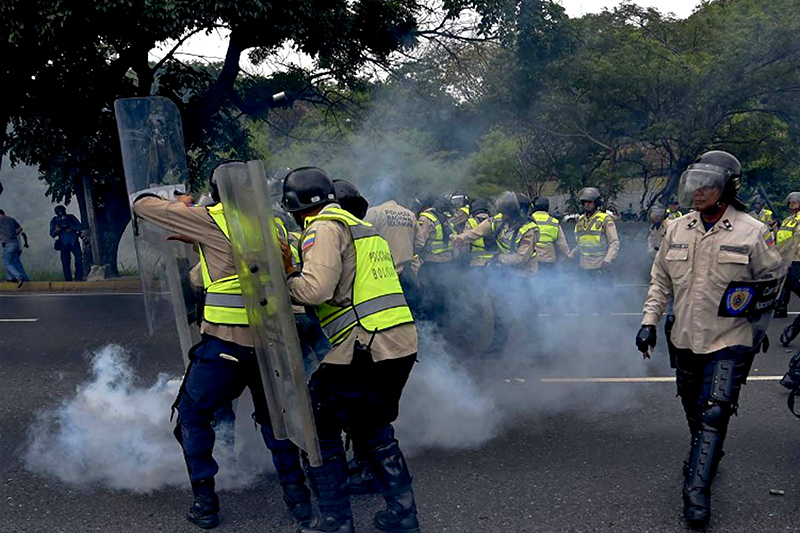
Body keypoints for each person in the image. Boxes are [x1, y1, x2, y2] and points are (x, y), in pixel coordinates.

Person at [132, 170, 311, 530]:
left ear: (218, 195)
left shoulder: (212, 218)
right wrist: (200, 243)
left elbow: (142, 206)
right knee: (276, 420)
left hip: (227, 346)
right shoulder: (273, 225)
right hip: (271, 344)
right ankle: (300, 502)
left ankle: (205, 504)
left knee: (192, 415)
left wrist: (179, 205)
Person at [636, 150, 782, 528]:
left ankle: (697, 493)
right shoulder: (677, 228)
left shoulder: (753, 231)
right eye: (694, 184)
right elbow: (661, 280)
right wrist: (649, 321)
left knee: (715, 410)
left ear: (727, 188)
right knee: (693, 409)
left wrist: (759, 325)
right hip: (684, 337)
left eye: (707, 184)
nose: (697, 192)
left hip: (729, 339)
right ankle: (706, 453)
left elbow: (772, 282)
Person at [280, 167, 420, 533]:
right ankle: (403, 516)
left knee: (317, 423)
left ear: (296, 208)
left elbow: (316, 291)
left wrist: (285, 279)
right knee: (372, 426)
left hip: (365, 346)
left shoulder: (323, 227)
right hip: (398, 343)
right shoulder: (364, 228)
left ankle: (336, 521)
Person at [454, 191, 539, 356]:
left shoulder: (530, 229)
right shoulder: (499, 221)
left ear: (517, 212)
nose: (502, 215)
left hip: (525, 275)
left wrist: (499, 259)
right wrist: (459, 239)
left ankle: (538, 348)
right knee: (499, 308)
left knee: (527, 312)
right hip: (505, 273)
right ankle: (497, 347)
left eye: (506, 211)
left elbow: (522, 258)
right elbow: (476, 232)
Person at [364, 180, 419, 306]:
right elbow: (419, 243)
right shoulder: (410, 214)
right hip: (408, 274)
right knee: (411, 313)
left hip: (382, 275)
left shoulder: (374, 213)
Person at [413, 193, 458, 322]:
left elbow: (420, 241)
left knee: (427, 298)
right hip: (447, 264)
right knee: (442, 296)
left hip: (431, 265)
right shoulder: (444, 217)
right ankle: (442, 325)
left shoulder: (426, 218)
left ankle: (429, 328)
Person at [569, 187, 619, 277]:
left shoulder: (604, 219)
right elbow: (582, 242)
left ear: (596, 203)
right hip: (583, 266)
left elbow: (614, 242)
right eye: (585, 202)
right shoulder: (581, 220)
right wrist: (571, 256)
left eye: (590, 202)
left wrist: (608, 260)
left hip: (600, 265)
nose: (587, 204)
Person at [772, 191, 800, 319]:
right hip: (785, 256)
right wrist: (776, 228)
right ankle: (780, 308)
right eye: (790, 201)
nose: (792, 204)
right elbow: (782, 237)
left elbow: (797, 238)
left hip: (796, 256)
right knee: (784, 283)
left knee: (794, 281)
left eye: (795, 201)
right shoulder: (788, 219)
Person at [531, 196, 570, 270]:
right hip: (548, 261)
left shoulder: (528, 220)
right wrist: (568, 257)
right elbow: (562, 244)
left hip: (532, 261)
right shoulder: (554, 222)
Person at [50, 205, 84, 281]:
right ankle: (68, 279)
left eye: (62, 211)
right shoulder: (55, 220)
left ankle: (79, 277)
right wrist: (57, 230)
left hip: (73, 241)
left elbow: (80, 226)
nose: (62, 214)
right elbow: (52, 233)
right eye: (59, 212)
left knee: (79, 259)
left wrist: (71, 228)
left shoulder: (71, 217)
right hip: (63, 242)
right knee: (65, 261)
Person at [0, 209, 29, 287]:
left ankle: (19, 277)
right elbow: (20, 229)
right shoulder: (11, 219)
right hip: (15, 244)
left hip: (7, 244)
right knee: (15, 262)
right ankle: (11, 278)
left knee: (7, 262)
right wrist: (13, 234)